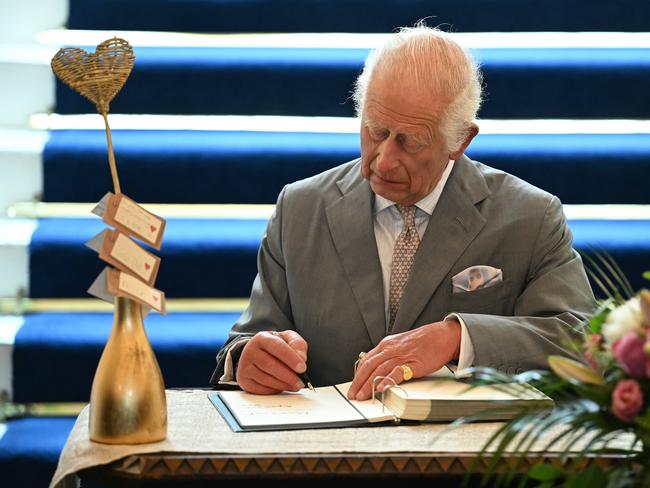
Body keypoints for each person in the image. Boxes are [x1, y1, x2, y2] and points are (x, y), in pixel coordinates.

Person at [209, 25, 595, 401]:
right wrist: (246, 359)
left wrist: (457, 338)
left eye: (409, 143)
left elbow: (581, 341)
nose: (384, 161)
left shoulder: (531, 216)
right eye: (375, 131)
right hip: (325, 453)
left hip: (464, 457)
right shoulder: (301, 207)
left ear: (460, 140)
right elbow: (249, 338)